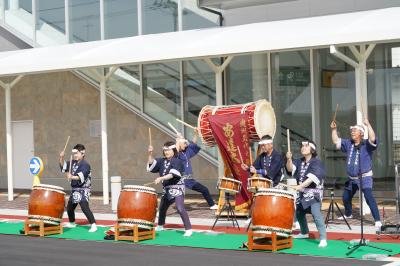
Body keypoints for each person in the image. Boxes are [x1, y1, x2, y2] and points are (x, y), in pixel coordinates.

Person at [331, 118, 382, 232]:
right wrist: (334, 129)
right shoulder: (349, 143)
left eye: (355, 130)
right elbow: (336, 141)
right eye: (352, 130)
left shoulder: (366, 144)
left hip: (365, 177)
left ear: (361, 133)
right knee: (345, 198)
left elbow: (373, 138)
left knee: (368, 197)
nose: (352, 132)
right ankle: (349, 214)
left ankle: (378, 221)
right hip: (351, 178)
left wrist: (368, 124)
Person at [286, 140, 327, 248]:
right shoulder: (299, 161)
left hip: (313, 194)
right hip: (302, 194)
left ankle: (323, 238)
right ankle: (304, 233)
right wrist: (289, 159)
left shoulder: (316, 162)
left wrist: (301, 185)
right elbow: (290, 169)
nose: (303, 147)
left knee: (315, 214)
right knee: (299, 212)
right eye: (302, 146)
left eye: (306, 146)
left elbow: (313, 177)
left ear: (312, 150)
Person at [147, 141, 192, 237]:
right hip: (166, 189)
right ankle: (160, 225)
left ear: (173, 150)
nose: (166, 152)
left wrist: (161, 178)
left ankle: (188, 229)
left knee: (180, 208)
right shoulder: (161, 161)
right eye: (165, 150)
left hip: (177, 188)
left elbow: (172, 175)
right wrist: (150, 153)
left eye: (168, 150)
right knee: (162, 208)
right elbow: (151, 164)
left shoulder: (177, 161)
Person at [176, 129, 218, 210]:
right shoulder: (177, 155)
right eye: (184, 143)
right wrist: (178, 140)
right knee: (172, 197)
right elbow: (176, 150)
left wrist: (195, 134)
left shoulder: (186, 153)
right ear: (180, 145)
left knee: (204, 189)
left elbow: (193, 145)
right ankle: (161, 210)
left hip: (188, 180)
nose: (186, 144)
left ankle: (212, 205)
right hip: (180, 179)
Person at [59, 144, 97, 232]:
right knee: (70, 207)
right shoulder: (73, 162)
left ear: (83, 153)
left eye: (77, 153)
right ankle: (72, 222)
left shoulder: (85, 165)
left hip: (83, 190)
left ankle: (94, 224)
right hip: (75, 190)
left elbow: (81, 176)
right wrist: (61, 158)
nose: (75, 155)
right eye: (74, 153)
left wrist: (71, 176)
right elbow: (63, 167)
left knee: (84, 207)